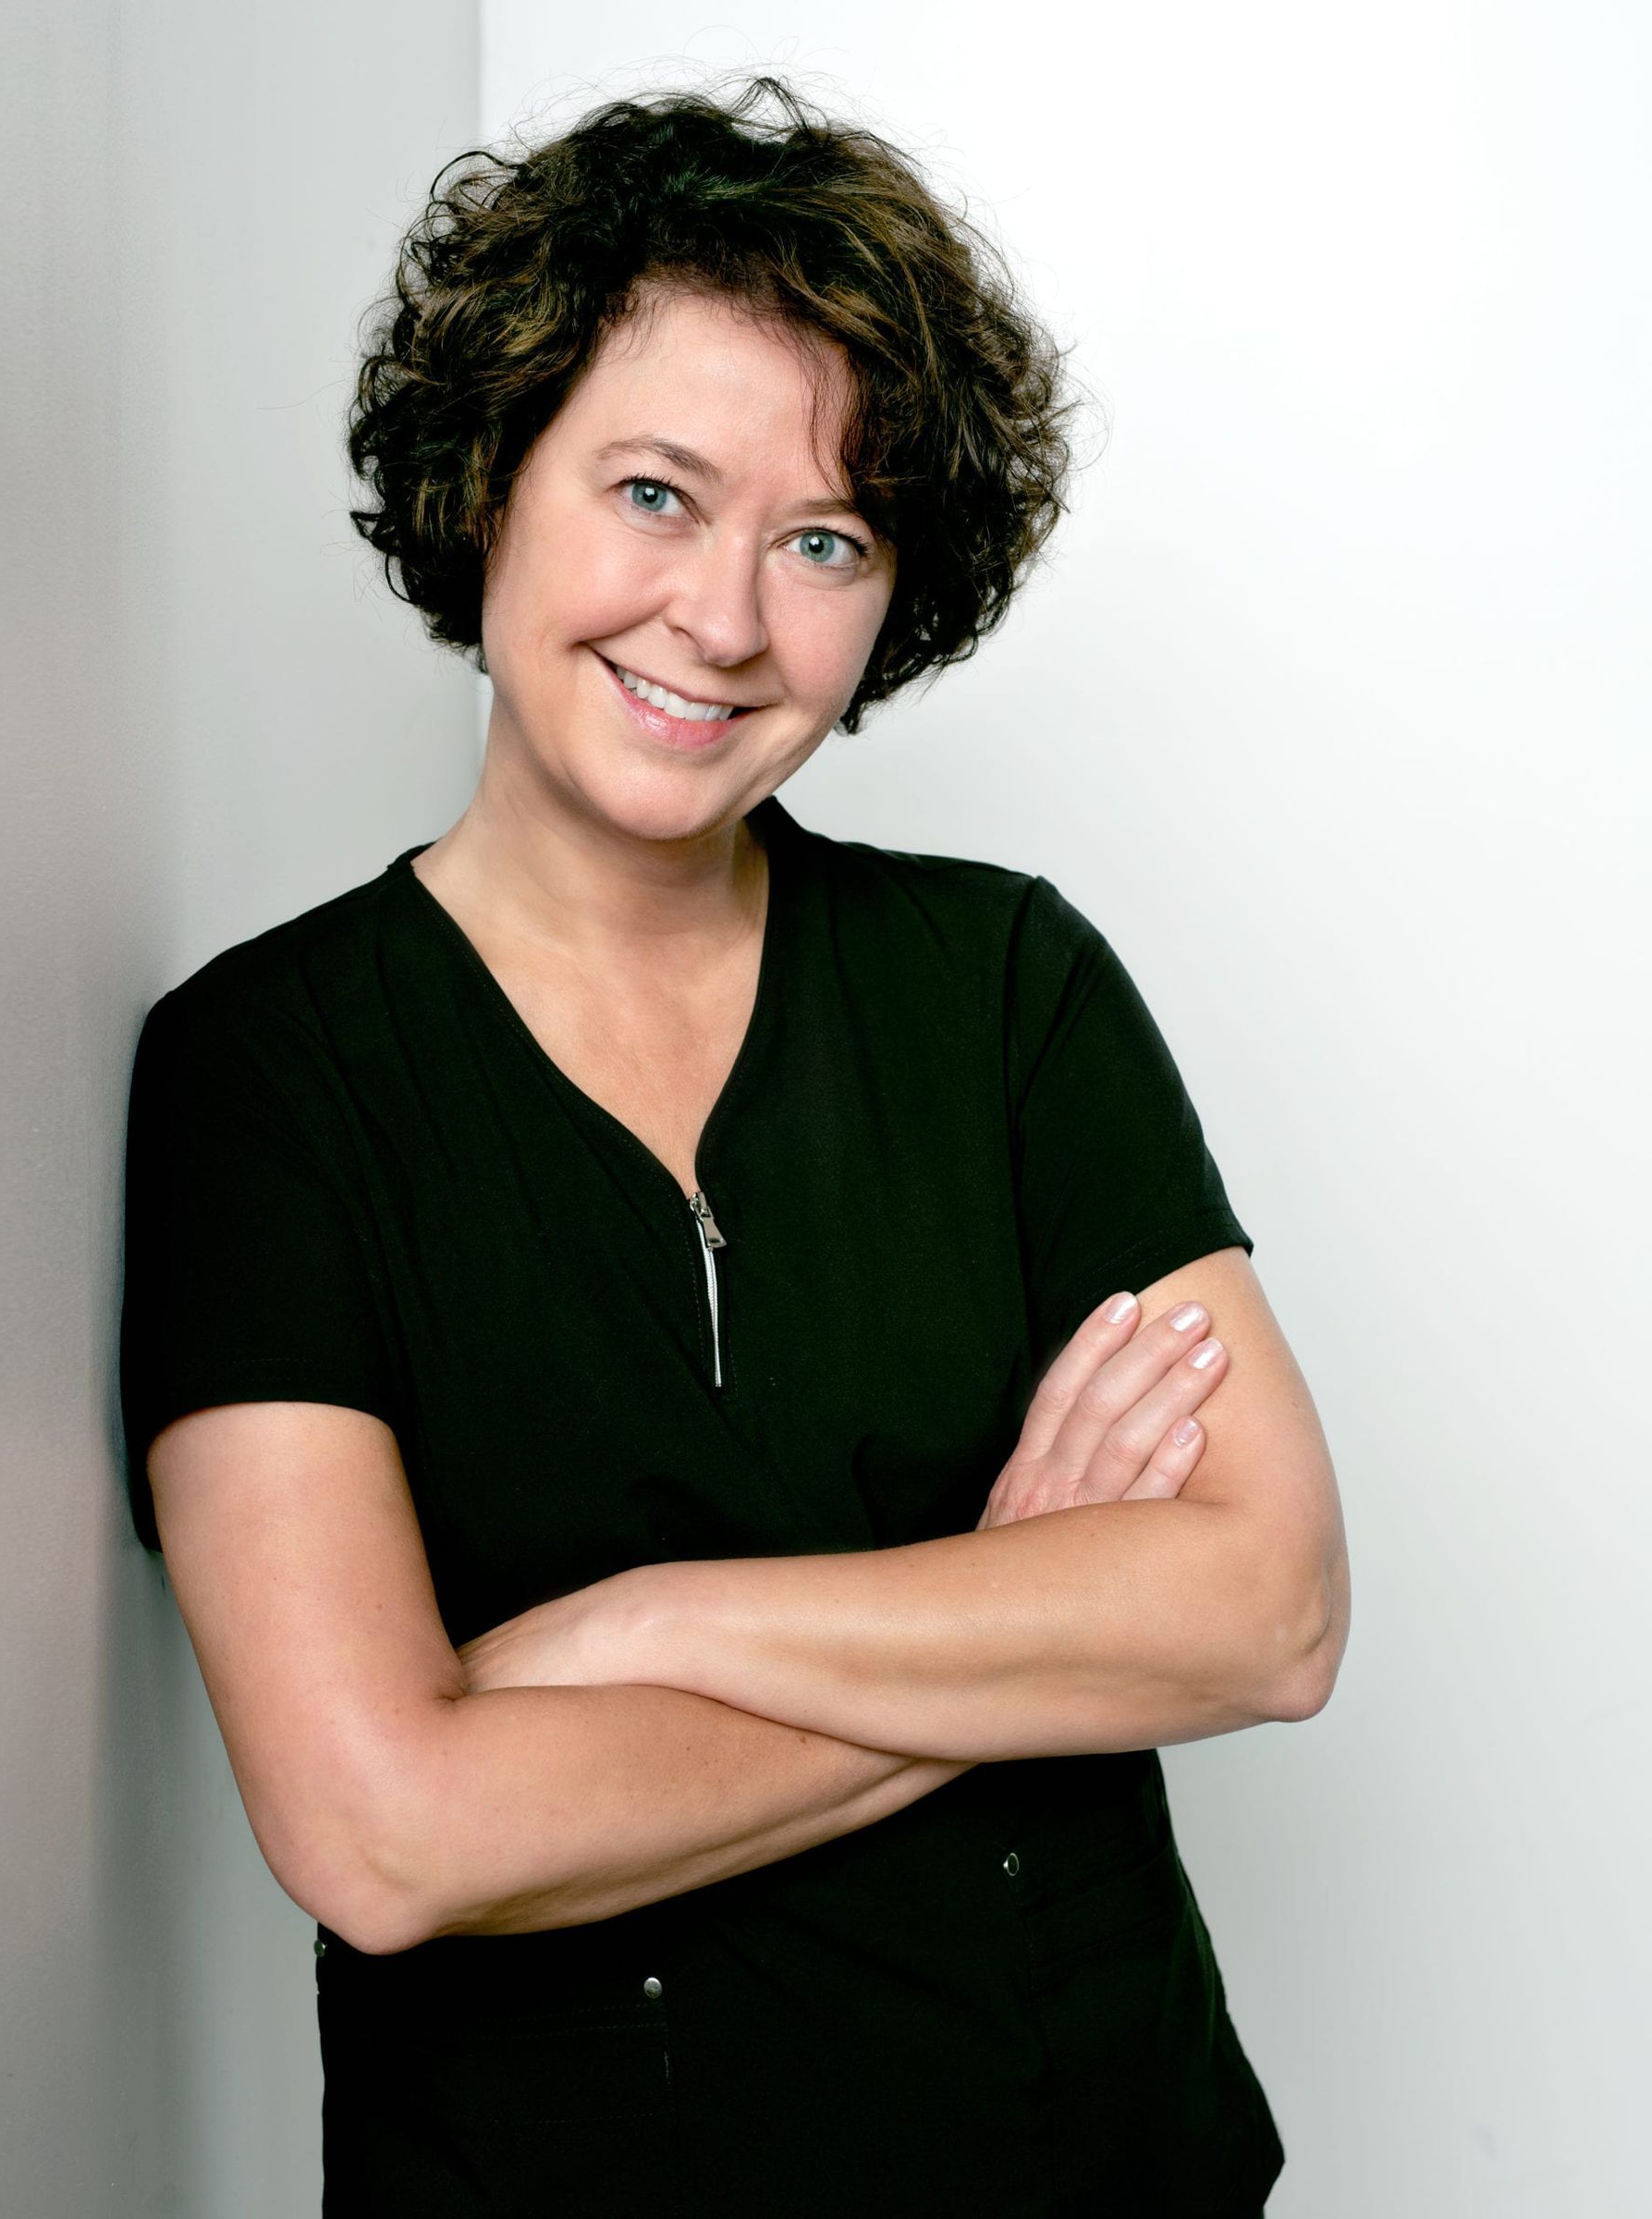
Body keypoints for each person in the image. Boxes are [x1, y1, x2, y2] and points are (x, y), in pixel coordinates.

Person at [119, 73, 1348, 2217]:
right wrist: (1009, 1615)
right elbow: (385, 1831)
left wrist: (630, 1627)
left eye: (825, 541)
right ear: (490, 472)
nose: (724, 621)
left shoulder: (1005, 991)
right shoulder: (269, 1073)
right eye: (658, 493)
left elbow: (1268, 1609)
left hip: (1090, 2150)